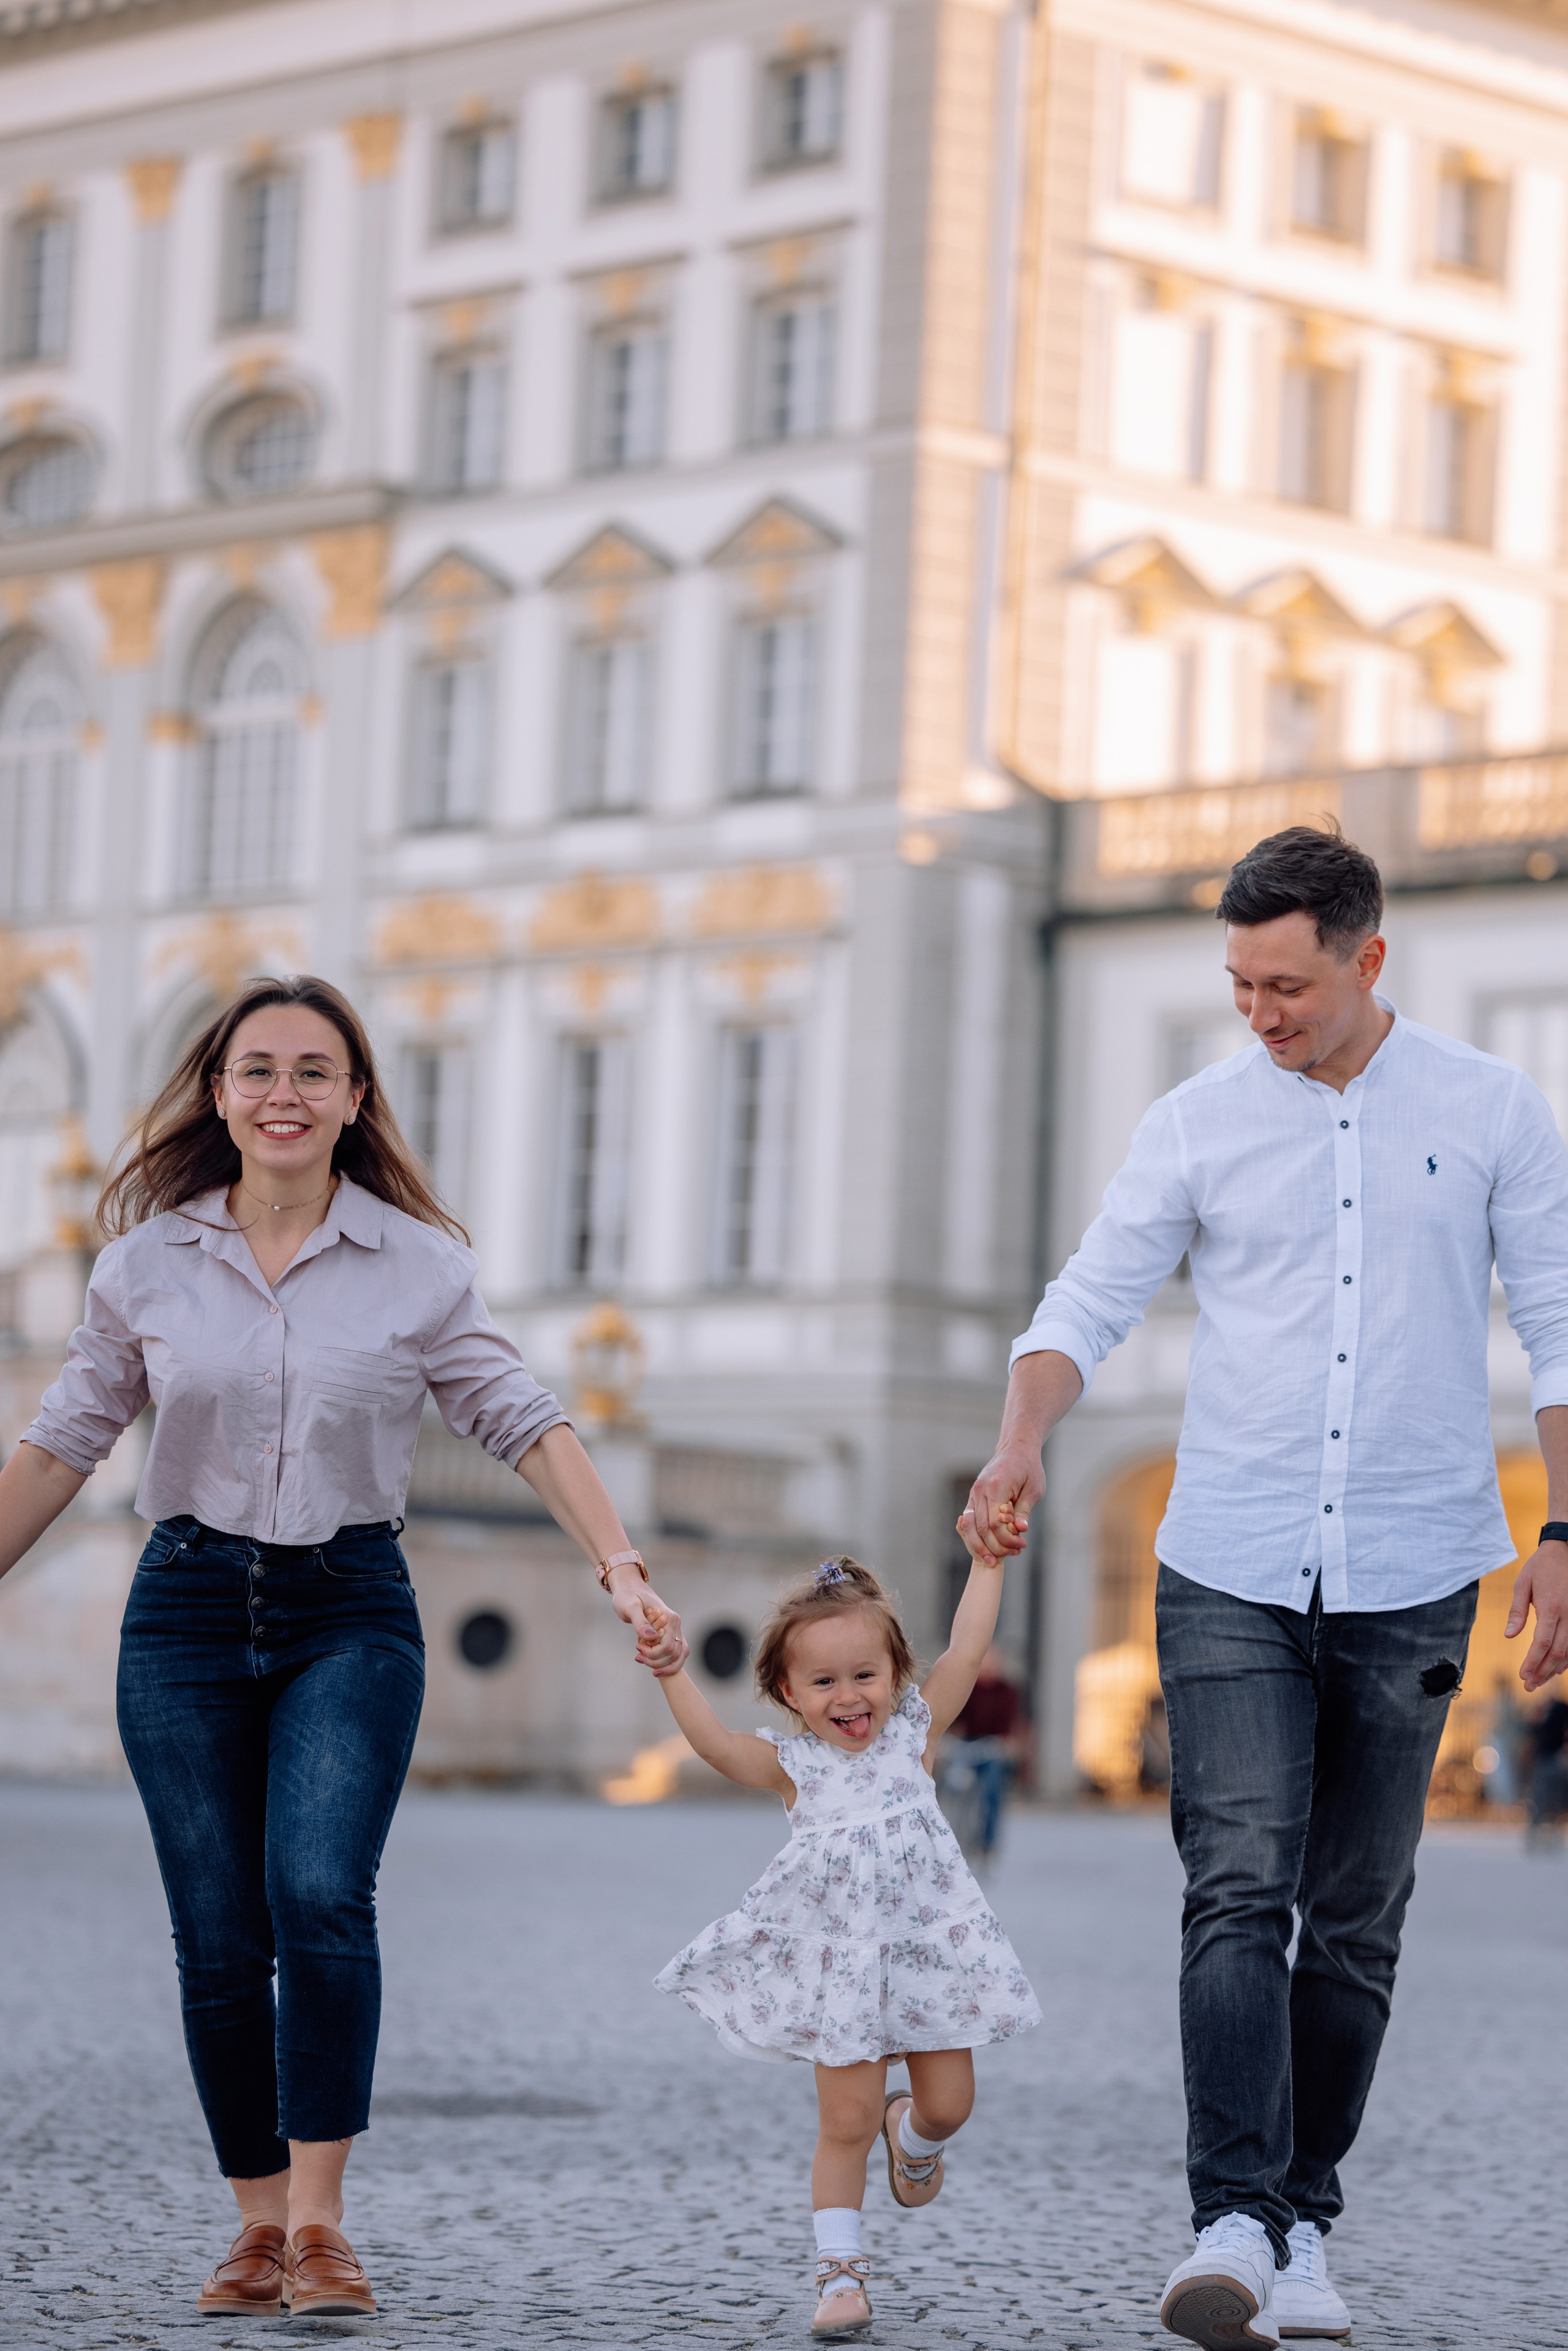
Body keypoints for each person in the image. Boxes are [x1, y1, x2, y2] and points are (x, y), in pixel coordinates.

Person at [0, 974, 688, 2320]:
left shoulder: (418, 1263)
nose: (284, 1093)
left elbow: (522, 1416)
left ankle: (319, 2224)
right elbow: (63, 1438)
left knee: (320, 1895)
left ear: (354, 1099)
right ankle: (253, 2225)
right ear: (218, 1092)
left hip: (349, 1607)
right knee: (215, 1932)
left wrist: (618, 1560)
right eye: (257, 1068)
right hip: (187, 1607)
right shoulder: (144, 1261)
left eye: (315, 1070)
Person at [966, 825, 1568, 2349]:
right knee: (1234, 1889)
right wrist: (1017, 1439)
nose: (1259, 1012)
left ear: (1370, 958)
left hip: (1416, 1558)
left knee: (1354, 1913)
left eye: (1285, 983)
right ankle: (1229, 2218)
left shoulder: (1490, 1107)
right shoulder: (1194, 1120)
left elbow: (1559, 1327)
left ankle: (1303, 2223)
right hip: (1224, 1552)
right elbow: (1091, 1290)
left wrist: (1561, 1533)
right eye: (1237, 983)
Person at [649, 1543, 1041, 2341]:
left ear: (897, 1673)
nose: (848, 1695)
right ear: (788, 1691)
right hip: (846, 1976)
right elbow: (718, 1747)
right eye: (823, 1681)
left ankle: (916, 2138)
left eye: (865, 1674)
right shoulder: (796, 1766)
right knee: (845, 2122)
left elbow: (967, 1647)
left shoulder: (912, 1737)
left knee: (950, 2105)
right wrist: (669, 1671)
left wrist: (987, 1562)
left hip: (928, 1962)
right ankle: (840, 2271)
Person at [946, 1644, 1024, 1860]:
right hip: (968, 1743)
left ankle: (987, 1843)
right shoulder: (968, 1688)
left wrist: (1006, 1744)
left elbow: (1009, 1726)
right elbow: (957, 1720)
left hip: (993, 1747)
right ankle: (948, 1834)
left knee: (992, 1789)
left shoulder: (1007, 1691)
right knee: (952, 1781)